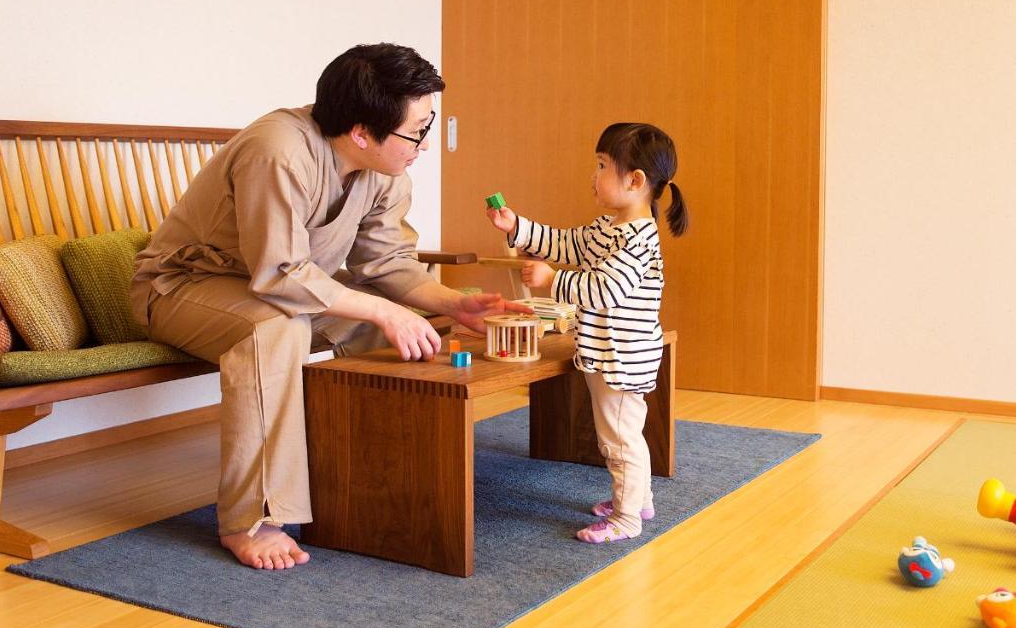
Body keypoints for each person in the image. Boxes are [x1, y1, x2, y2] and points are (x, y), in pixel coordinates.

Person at [131, 43, 530, 569]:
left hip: (282, 289)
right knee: (274, 330)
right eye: (418, 131)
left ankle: (375, 484)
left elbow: (386, 263)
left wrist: (455, 303)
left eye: (428, 125)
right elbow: (278, 273)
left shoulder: (386, 169)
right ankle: (255, 518)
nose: (425, 145)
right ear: (362, 132)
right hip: (184, 287)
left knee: (392, 335)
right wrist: (383, 309)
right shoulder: (278, 150)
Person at [485, 122, 688, 543]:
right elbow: (566, 243)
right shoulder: (608, 227)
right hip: (608, 352)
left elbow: (604, 289)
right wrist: (516, 227)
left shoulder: (638, 238)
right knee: (623, 433)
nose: (592, 176)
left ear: (635, 181)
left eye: (601, 166)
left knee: (618, 441)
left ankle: (626, 518)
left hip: (622, 358)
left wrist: (552, 279)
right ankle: (640, 499)